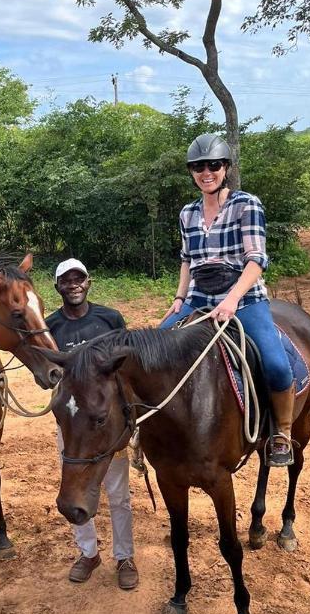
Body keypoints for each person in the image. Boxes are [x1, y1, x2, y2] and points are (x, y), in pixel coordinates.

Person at [160, 133, 296, 467]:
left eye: (213, 165)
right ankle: (144, 429)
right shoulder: (187, 213)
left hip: (244, 297)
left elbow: (256, 260)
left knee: (277, 365)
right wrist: (180, 297)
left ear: (225, 168)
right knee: (153, 350)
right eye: (198, 167)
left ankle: (282, 433)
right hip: (199, 296)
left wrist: (232, 300)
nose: (206, 172)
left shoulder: (246, 204)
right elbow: (187, 259)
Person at [46, 258, 139, 590]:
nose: (74, 284)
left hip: (106, 425)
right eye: (66, 280)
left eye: (79, 278)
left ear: (89, 282)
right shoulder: (51, 326)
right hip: (73, 428)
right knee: (74, 488)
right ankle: (88, 553)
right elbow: (47, 375)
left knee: (117, 492)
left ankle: (124, 556)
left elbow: (124, 369)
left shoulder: (110, 319)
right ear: (57, 286)